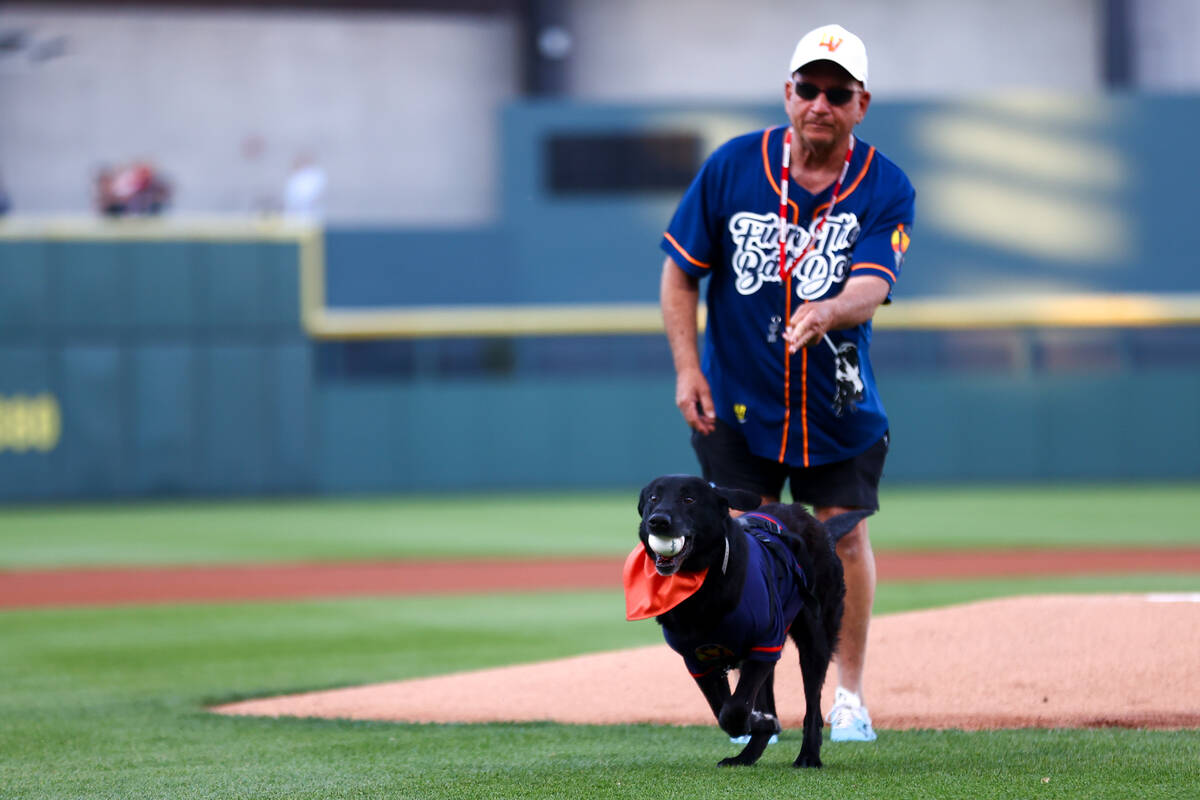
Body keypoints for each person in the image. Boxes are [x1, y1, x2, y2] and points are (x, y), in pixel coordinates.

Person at [658, 23, 914, 744]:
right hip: (739, 397)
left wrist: (828, 310)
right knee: (742, 542)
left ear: (861, 104)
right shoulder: (734, 166)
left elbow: (871, 284)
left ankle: (850, 695)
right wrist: (685, 366)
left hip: (836, 404)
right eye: (808, 88)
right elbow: (680, 270)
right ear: (787, 94)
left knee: (843, 542)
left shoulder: (885, 186)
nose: (820, 104)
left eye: (838, 92)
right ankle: (756, 700)